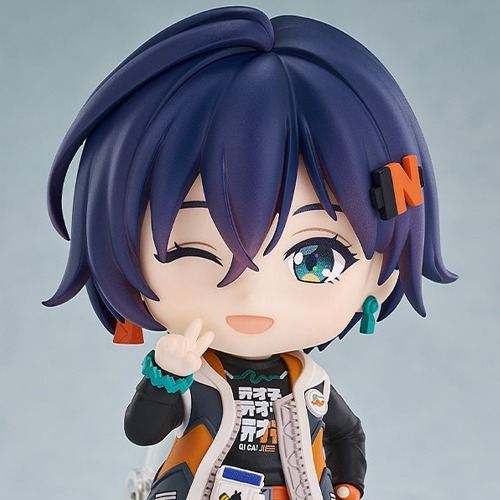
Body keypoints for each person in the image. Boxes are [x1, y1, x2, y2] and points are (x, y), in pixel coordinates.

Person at [44, 7, 456, 500]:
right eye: (193, 251)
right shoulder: (195, 374)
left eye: (317, 258)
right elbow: (143, 430)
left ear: (379, 277)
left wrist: (349, 484)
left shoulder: (312, 383)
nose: (251, 294)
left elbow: (348, 435)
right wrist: (167, 375)